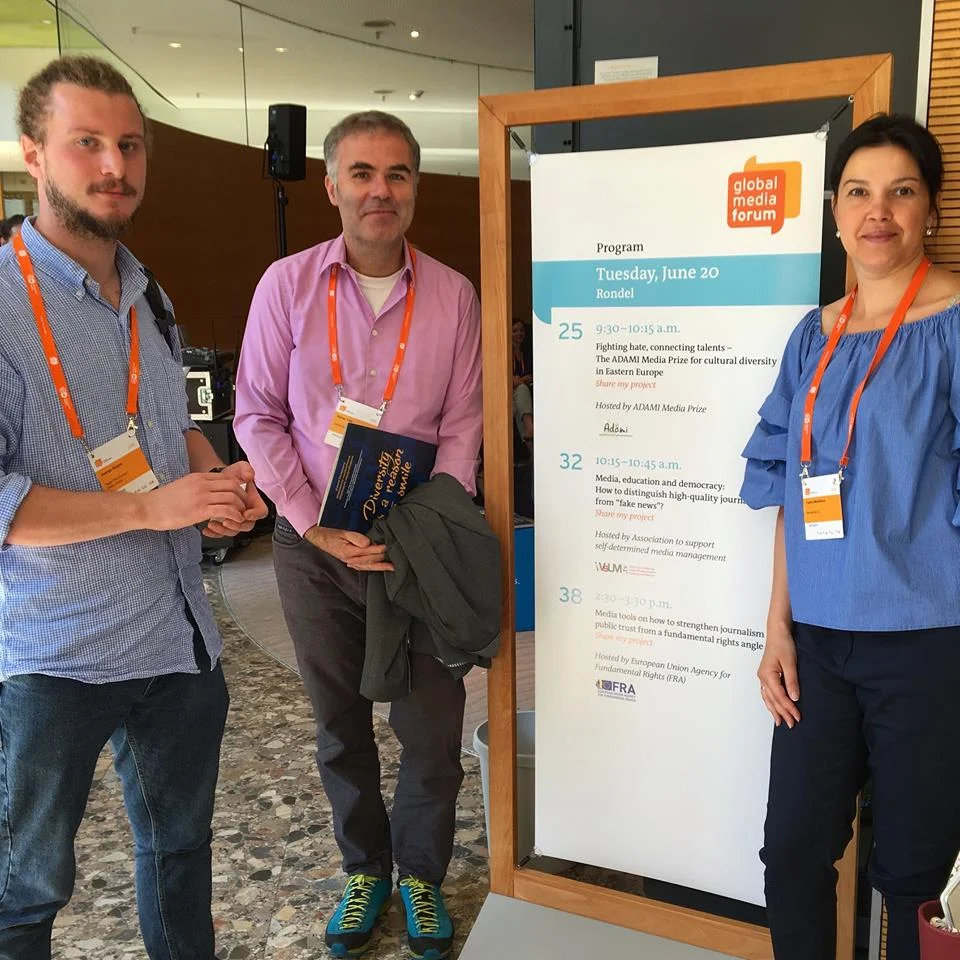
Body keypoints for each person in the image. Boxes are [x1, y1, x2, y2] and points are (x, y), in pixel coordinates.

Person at [0, 56, 267, 958]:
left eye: (130, 145)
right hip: (56, 658)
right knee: (25, 890)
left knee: (180, 854)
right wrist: (153, 511)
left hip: (178, 640)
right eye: (87, 143)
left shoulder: (149, 289)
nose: (115, 166)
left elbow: (167, 427)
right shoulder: (2, 303)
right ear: (34, 153)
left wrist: (217, 484)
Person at [233, 111, 482, 959]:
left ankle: (421, 873)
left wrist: (426, 525)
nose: (382, 190)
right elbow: (256, 415)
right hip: (314, 546)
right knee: (339, 718)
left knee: (432, 723)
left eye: (398, 173)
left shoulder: (453, 295)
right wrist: (311, 521)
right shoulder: (286, 286)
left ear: (416, 188)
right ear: (332, 184)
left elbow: (464, 425)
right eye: (364, 173)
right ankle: (365, 869)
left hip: (417, 548)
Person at [740, 114, 960, 960]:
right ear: (834, 212)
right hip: (818, 647)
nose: (879, 212)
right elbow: (792, 494)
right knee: (792, 851)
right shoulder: (814, 334)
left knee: (913, 874)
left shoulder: (953, 321)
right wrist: (777, 629)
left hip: (927, 644)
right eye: (859, 193)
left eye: (901, 191)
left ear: (930, 209)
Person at [511, 318, 534, 442]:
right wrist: (520, 381)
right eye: (515, 331)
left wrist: (519, 381)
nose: (519, 333)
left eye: (521, 330)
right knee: (521, 391)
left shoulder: (528, 352)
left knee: (521, 393)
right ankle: (530, 428)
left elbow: (532, 375)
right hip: (509, 393)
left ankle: (529, 432)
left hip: (523, 393)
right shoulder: (503, 353)